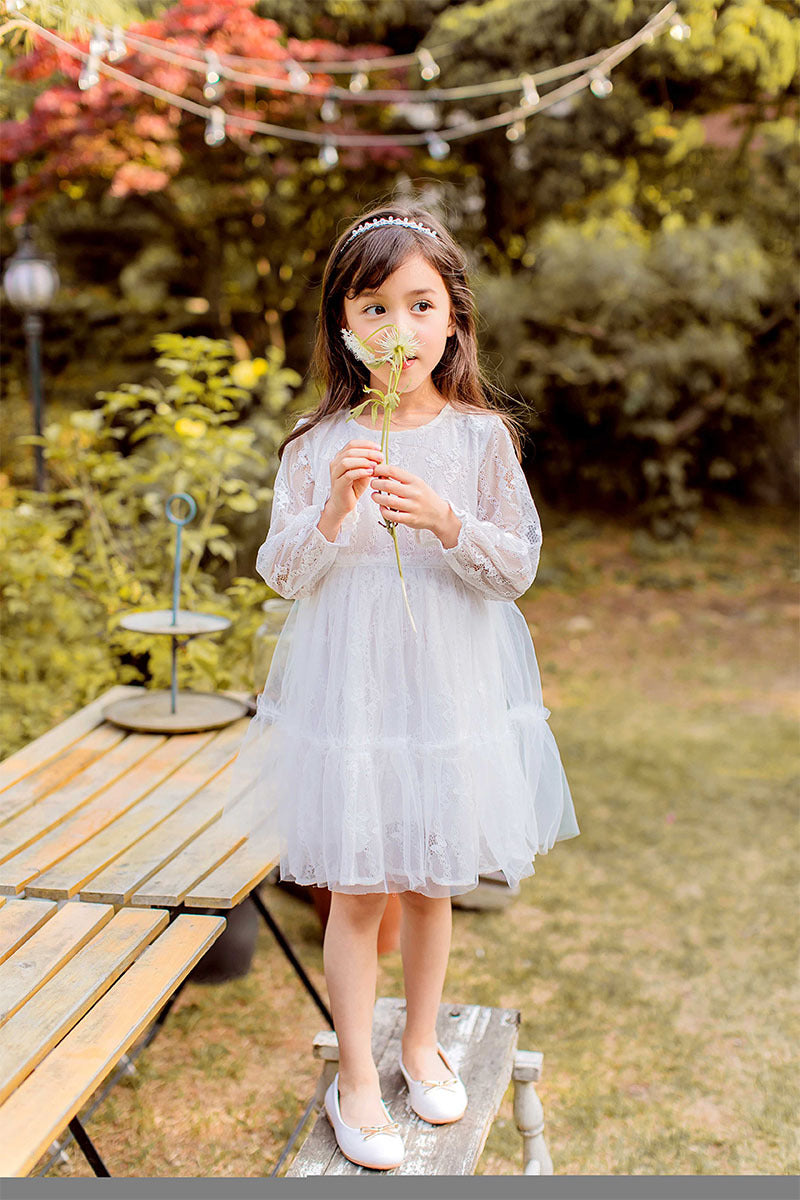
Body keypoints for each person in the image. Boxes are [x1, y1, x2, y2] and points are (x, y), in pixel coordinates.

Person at [224, 203, 580, 1171]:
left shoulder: (479, 440)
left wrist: (442, 518)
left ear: (453, 318)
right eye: (373, 308)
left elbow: (514, 568)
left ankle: (418, 1043)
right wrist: (337, 507)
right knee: (357, 887)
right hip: (356, 695)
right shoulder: (317, 443)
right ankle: (352, 1077)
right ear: (344, 324)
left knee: (430, 882)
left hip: (445, 694)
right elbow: (282, 571)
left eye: (419, 306)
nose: (398, 331)